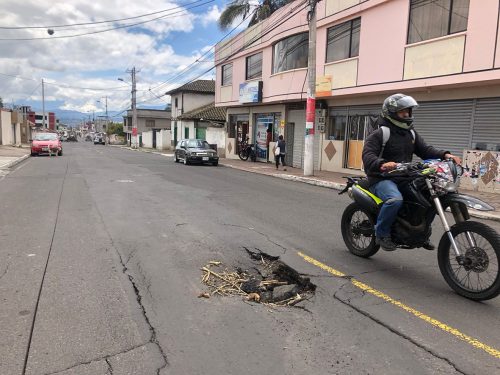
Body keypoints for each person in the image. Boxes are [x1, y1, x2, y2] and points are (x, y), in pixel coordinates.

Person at [362, 93, 462, 251]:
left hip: (404, 177)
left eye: (408, 111)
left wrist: (445, 154)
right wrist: (383, 164)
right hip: (381, 178)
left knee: (428, 199)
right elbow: (368, 156)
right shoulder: (380, 134)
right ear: (392, 113)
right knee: (394, 200)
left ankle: (420, 234)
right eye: (403, 112)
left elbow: (426, 150)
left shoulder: (410, 133)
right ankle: (382, 233)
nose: (407, 115)